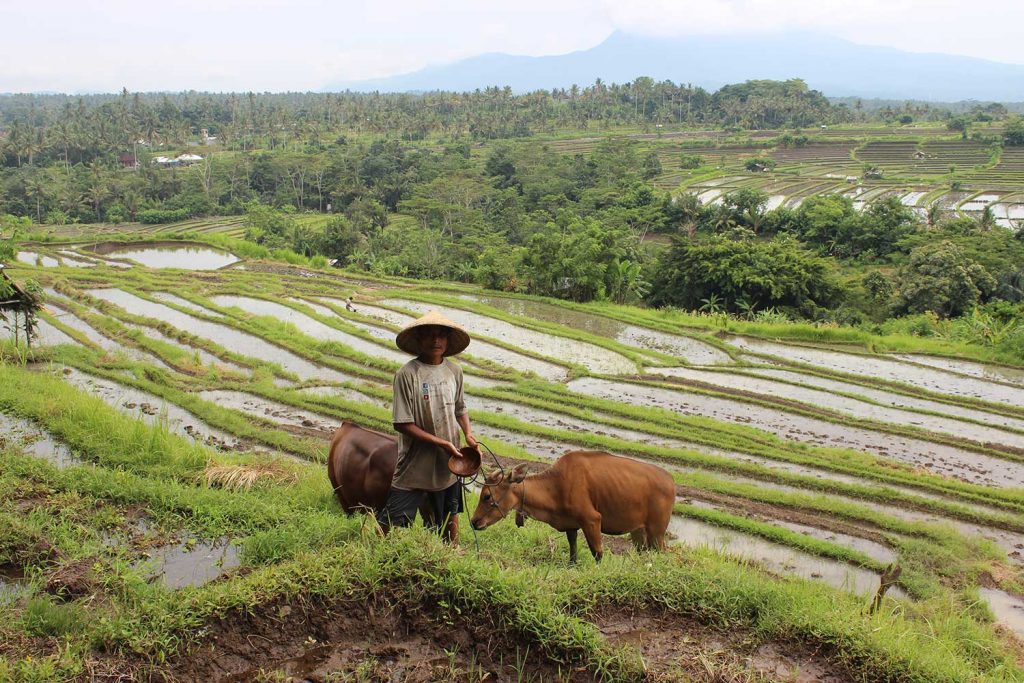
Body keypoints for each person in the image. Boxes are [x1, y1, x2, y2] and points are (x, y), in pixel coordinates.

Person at [376, 311, 480, 545]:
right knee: (393, 521)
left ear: (447, 340)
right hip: (415, 462)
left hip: (450, 461)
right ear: (419, 340)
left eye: (441, 335)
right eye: (429, 335)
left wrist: (469, 434)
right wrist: (441, 443)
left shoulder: (454, 371)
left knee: (449, 516)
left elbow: (460, 408)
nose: (436, 341)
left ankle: (451, 556)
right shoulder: (407, 374)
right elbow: (402, 423)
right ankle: (380, 556)